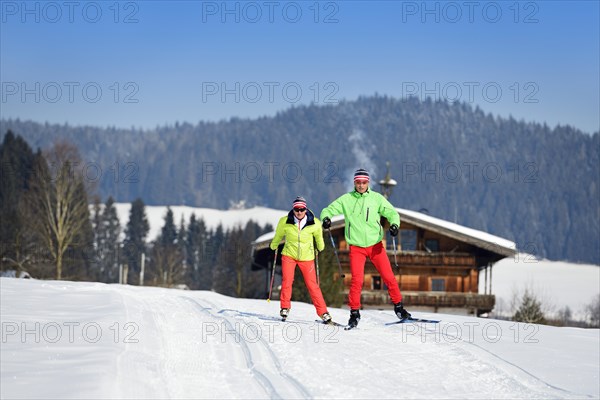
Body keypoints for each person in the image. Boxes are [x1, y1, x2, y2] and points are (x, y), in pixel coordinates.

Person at [320, 168, 411, 328]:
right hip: (356, 247)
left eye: (364, 182)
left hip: (376, 246)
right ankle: (354, 313)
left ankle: (399, 308)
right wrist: (326, 218)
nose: (361, 185)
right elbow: (328, 210)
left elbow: (392, 213)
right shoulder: (346, 199)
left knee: (388, 277)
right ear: (354, 183)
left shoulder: (376, 198)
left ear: (368, 183)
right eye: (358, 182)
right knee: (357, 281)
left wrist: (395, 225)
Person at [270, 196, 332, 323]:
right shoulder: (284, 221)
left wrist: (320, 247)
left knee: (312, 285)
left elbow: (319, 238)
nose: (299, 212)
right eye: (297, 209)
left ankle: (323, 312)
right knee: (287, 281)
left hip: (307, 257)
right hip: (289, 255)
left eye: (302, 209)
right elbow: (278, 235)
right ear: (293, 209)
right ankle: (285, 308)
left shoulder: (314, 222)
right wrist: (274, 244)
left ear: (306, 209)